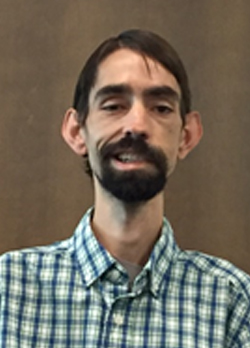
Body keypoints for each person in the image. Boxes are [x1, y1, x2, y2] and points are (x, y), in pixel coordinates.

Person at [0, 29, 250, 348]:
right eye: (113, 105)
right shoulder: (8, 290)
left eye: (160, 108)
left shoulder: (233, 304)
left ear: (187, 135)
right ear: (77, 131)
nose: (137, 125)